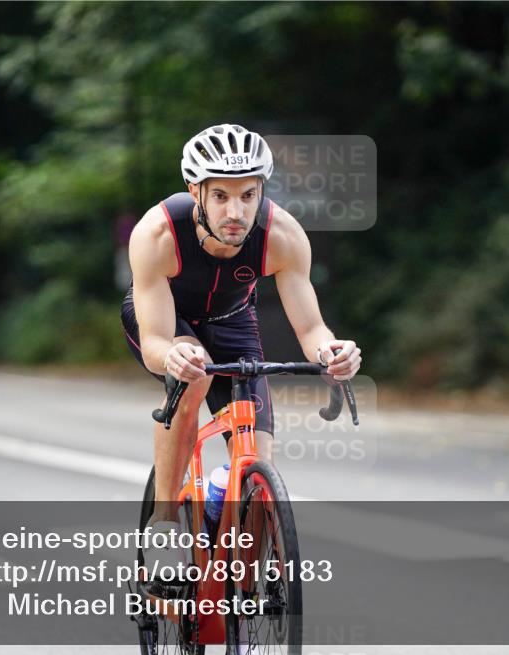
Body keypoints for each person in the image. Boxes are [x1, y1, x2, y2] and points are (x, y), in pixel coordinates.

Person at [121, 123, 362, 570]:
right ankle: (164, 523)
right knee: (192, 378)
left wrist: (332, 353)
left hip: (232, 321)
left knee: (256, 462)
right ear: (195, 192)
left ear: (261, 191)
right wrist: (173, 355)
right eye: (220, 196)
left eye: (248, 195)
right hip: (165, 320)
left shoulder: (282, 235)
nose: (236, 211)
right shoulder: (157, 234)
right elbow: (155, 341)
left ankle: (237, 538)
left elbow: (312, 329)